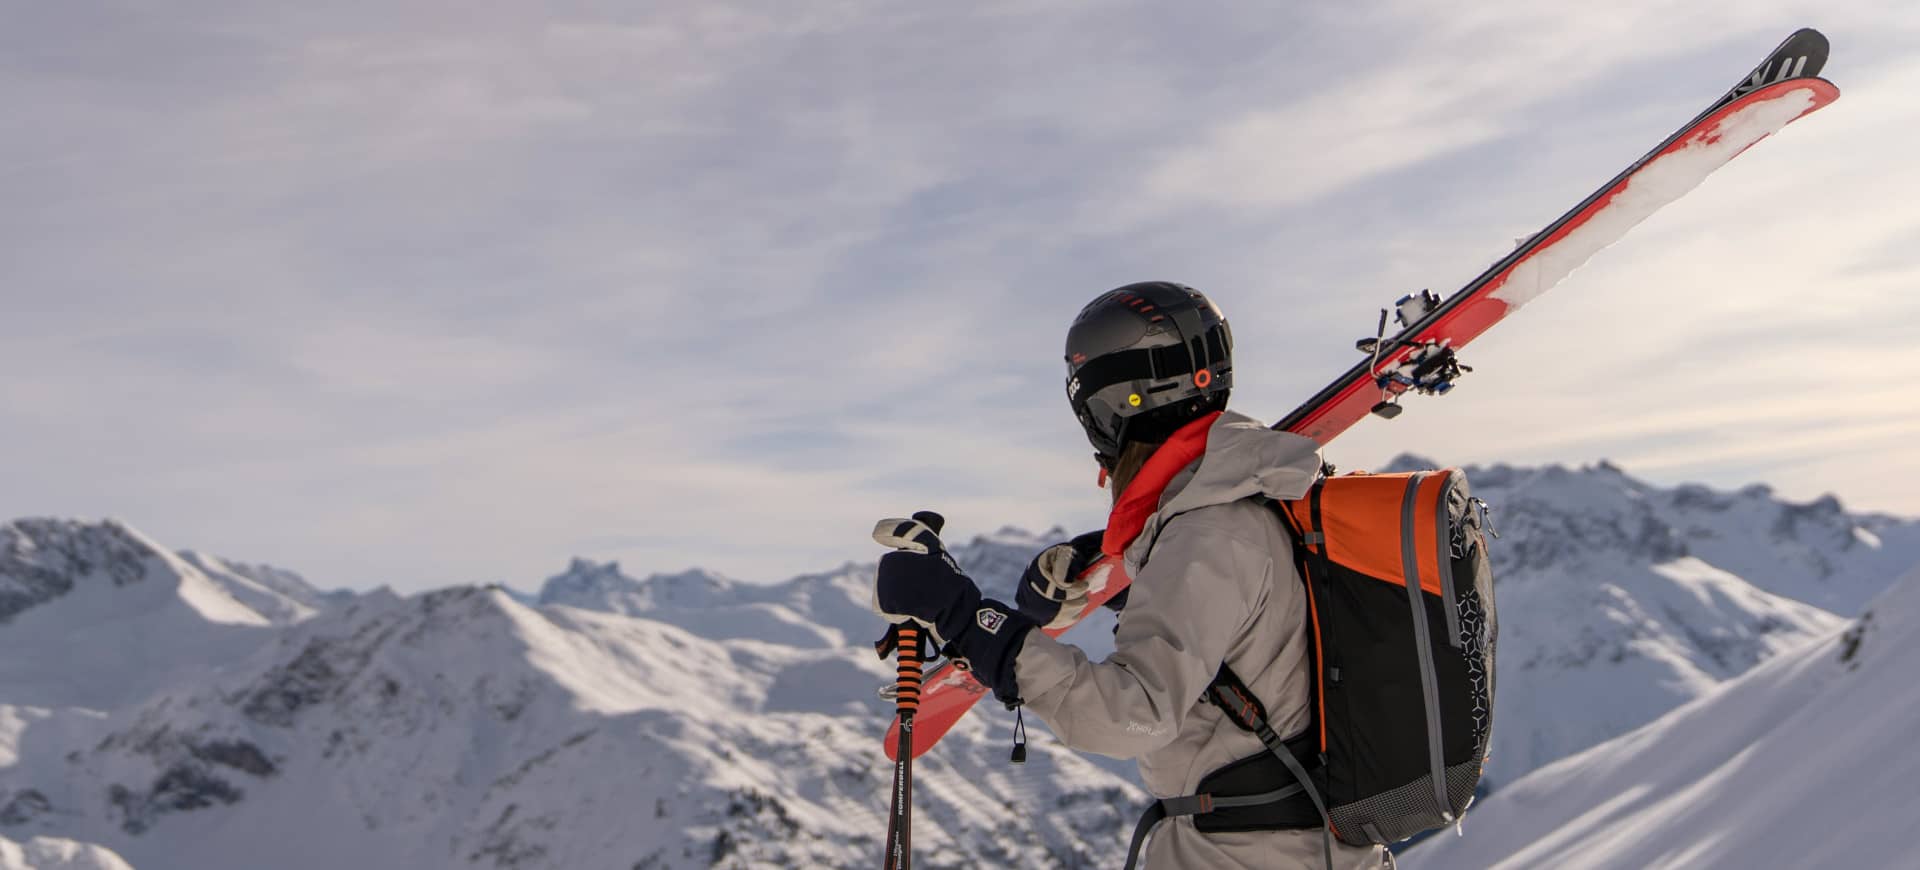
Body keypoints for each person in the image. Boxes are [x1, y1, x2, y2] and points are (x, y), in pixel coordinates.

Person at [871, 281, 1391, 868]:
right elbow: (1242, 628)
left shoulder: (1210, 534)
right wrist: (1132, 568)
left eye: (1091, 410)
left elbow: (1133, 716)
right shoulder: (1250, 506)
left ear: (1123, 402)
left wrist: (966, 619)